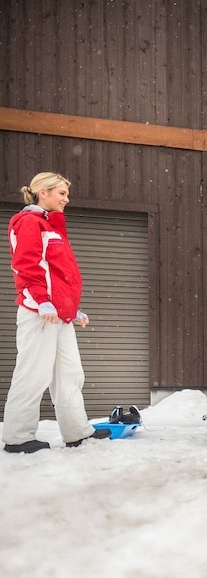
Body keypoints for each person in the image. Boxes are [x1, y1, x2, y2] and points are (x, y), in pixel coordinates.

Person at [2, 172, 112, 453]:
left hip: (59, 315)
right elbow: (26, 266)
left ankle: (77, 432)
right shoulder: (29, 222)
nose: (67, 199)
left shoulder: (51, 225)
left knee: (70, 374)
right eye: (62, 193)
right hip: (39, 313)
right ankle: (18, 437)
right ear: (43, 192)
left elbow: (59, 275)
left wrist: (72, 308)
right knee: (33, 373)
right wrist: (42, 301)